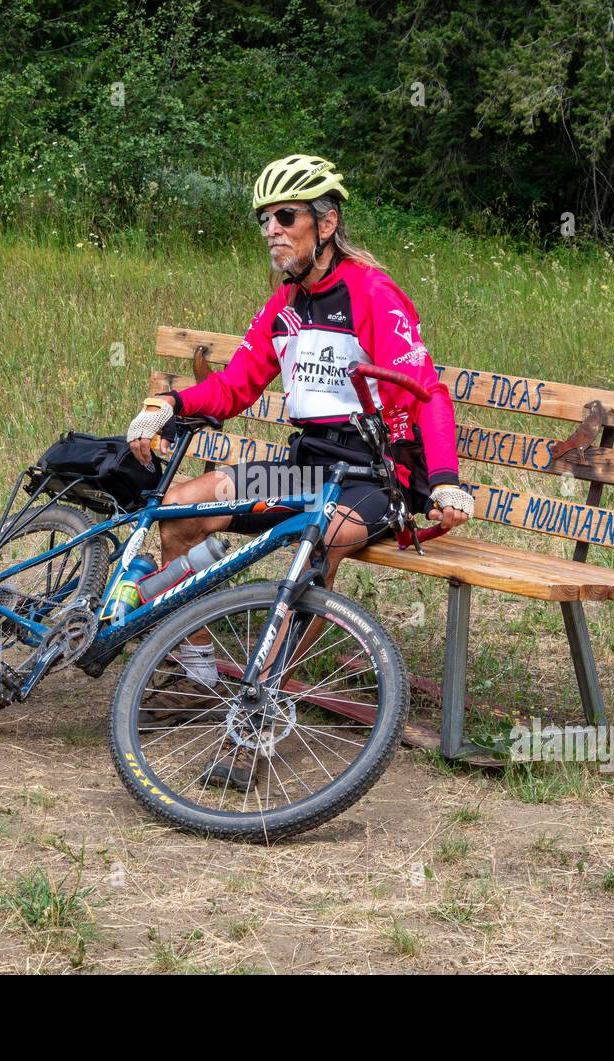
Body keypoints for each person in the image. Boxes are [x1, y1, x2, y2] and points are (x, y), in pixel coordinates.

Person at [126, 153, 473, 692]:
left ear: (326, 223)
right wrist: (170, 404)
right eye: (264, 220)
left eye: (285, 217)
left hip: (371, 475)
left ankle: (261, 696)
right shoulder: (285, 304)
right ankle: (196, 676)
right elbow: (236, 384)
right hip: (307, 468)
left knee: (319, 538)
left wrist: (448, 481)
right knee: (180, 513)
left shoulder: (373, 293)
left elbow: (428, 394)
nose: (272, 231)